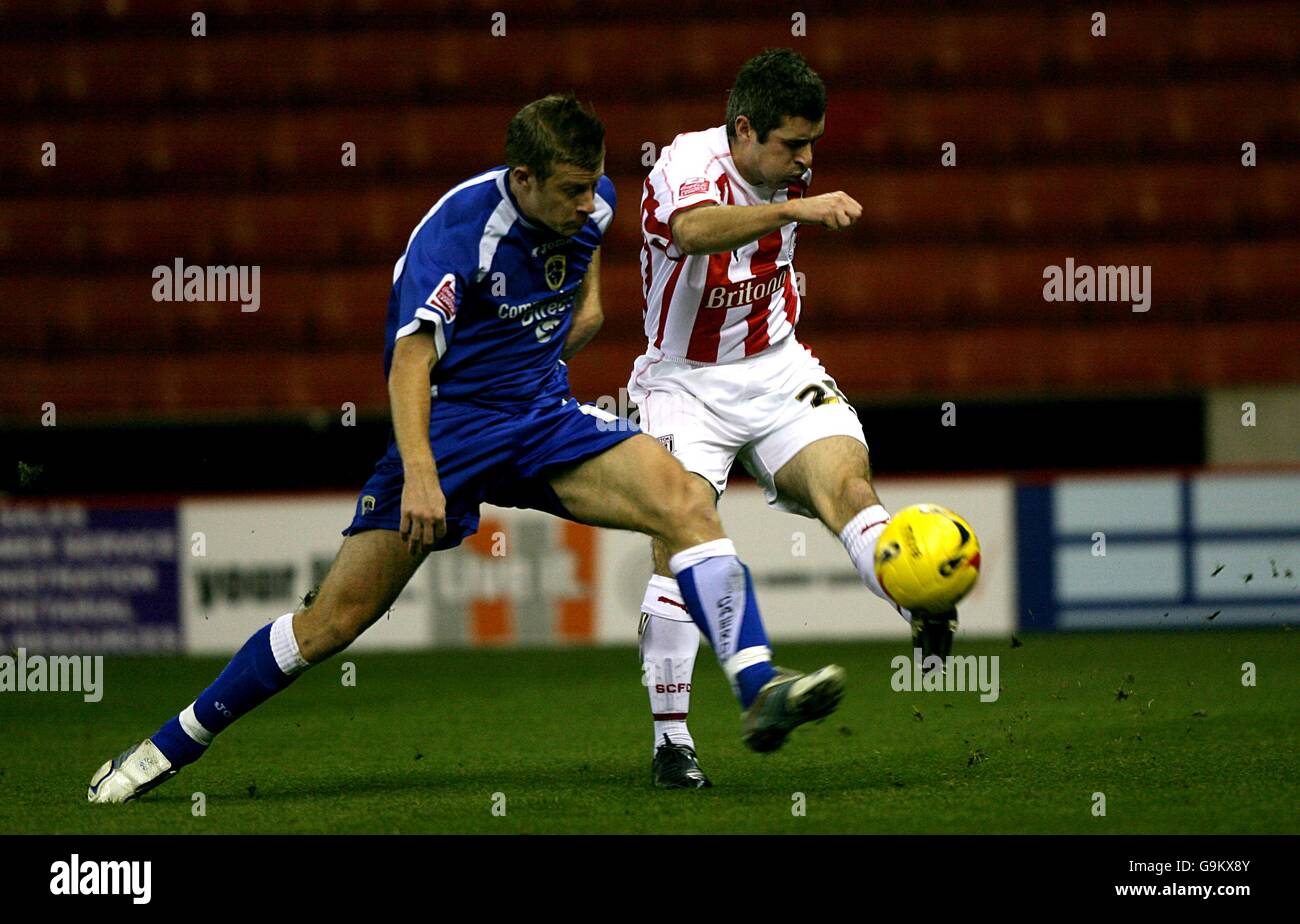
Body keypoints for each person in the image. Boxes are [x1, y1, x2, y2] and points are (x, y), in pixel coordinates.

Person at [87, 94, 844, 804]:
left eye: (594, 185)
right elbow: (409, 363)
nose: (591, 204)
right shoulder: (456, 236)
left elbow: (582, 276)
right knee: (333, 620)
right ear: (523, 178)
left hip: (541, 417)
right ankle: (170, 746)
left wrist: (578, 319)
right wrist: (421, 476)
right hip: (448, 433)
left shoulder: (594, 204)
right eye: (573, 190)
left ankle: (758, 687)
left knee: (683, 500)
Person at [629, 50, 957, 789]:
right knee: (674, 540)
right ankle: (672, 743)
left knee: (848, 485)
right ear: (743, 130)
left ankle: (917, 595)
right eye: (792, 145)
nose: (806, 160)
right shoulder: (687, 161)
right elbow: (689, 232)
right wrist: (789, 208)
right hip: (684, 382)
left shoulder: (788, 168)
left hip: (777, 366)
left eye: (812, 144)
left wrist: (790, 193)